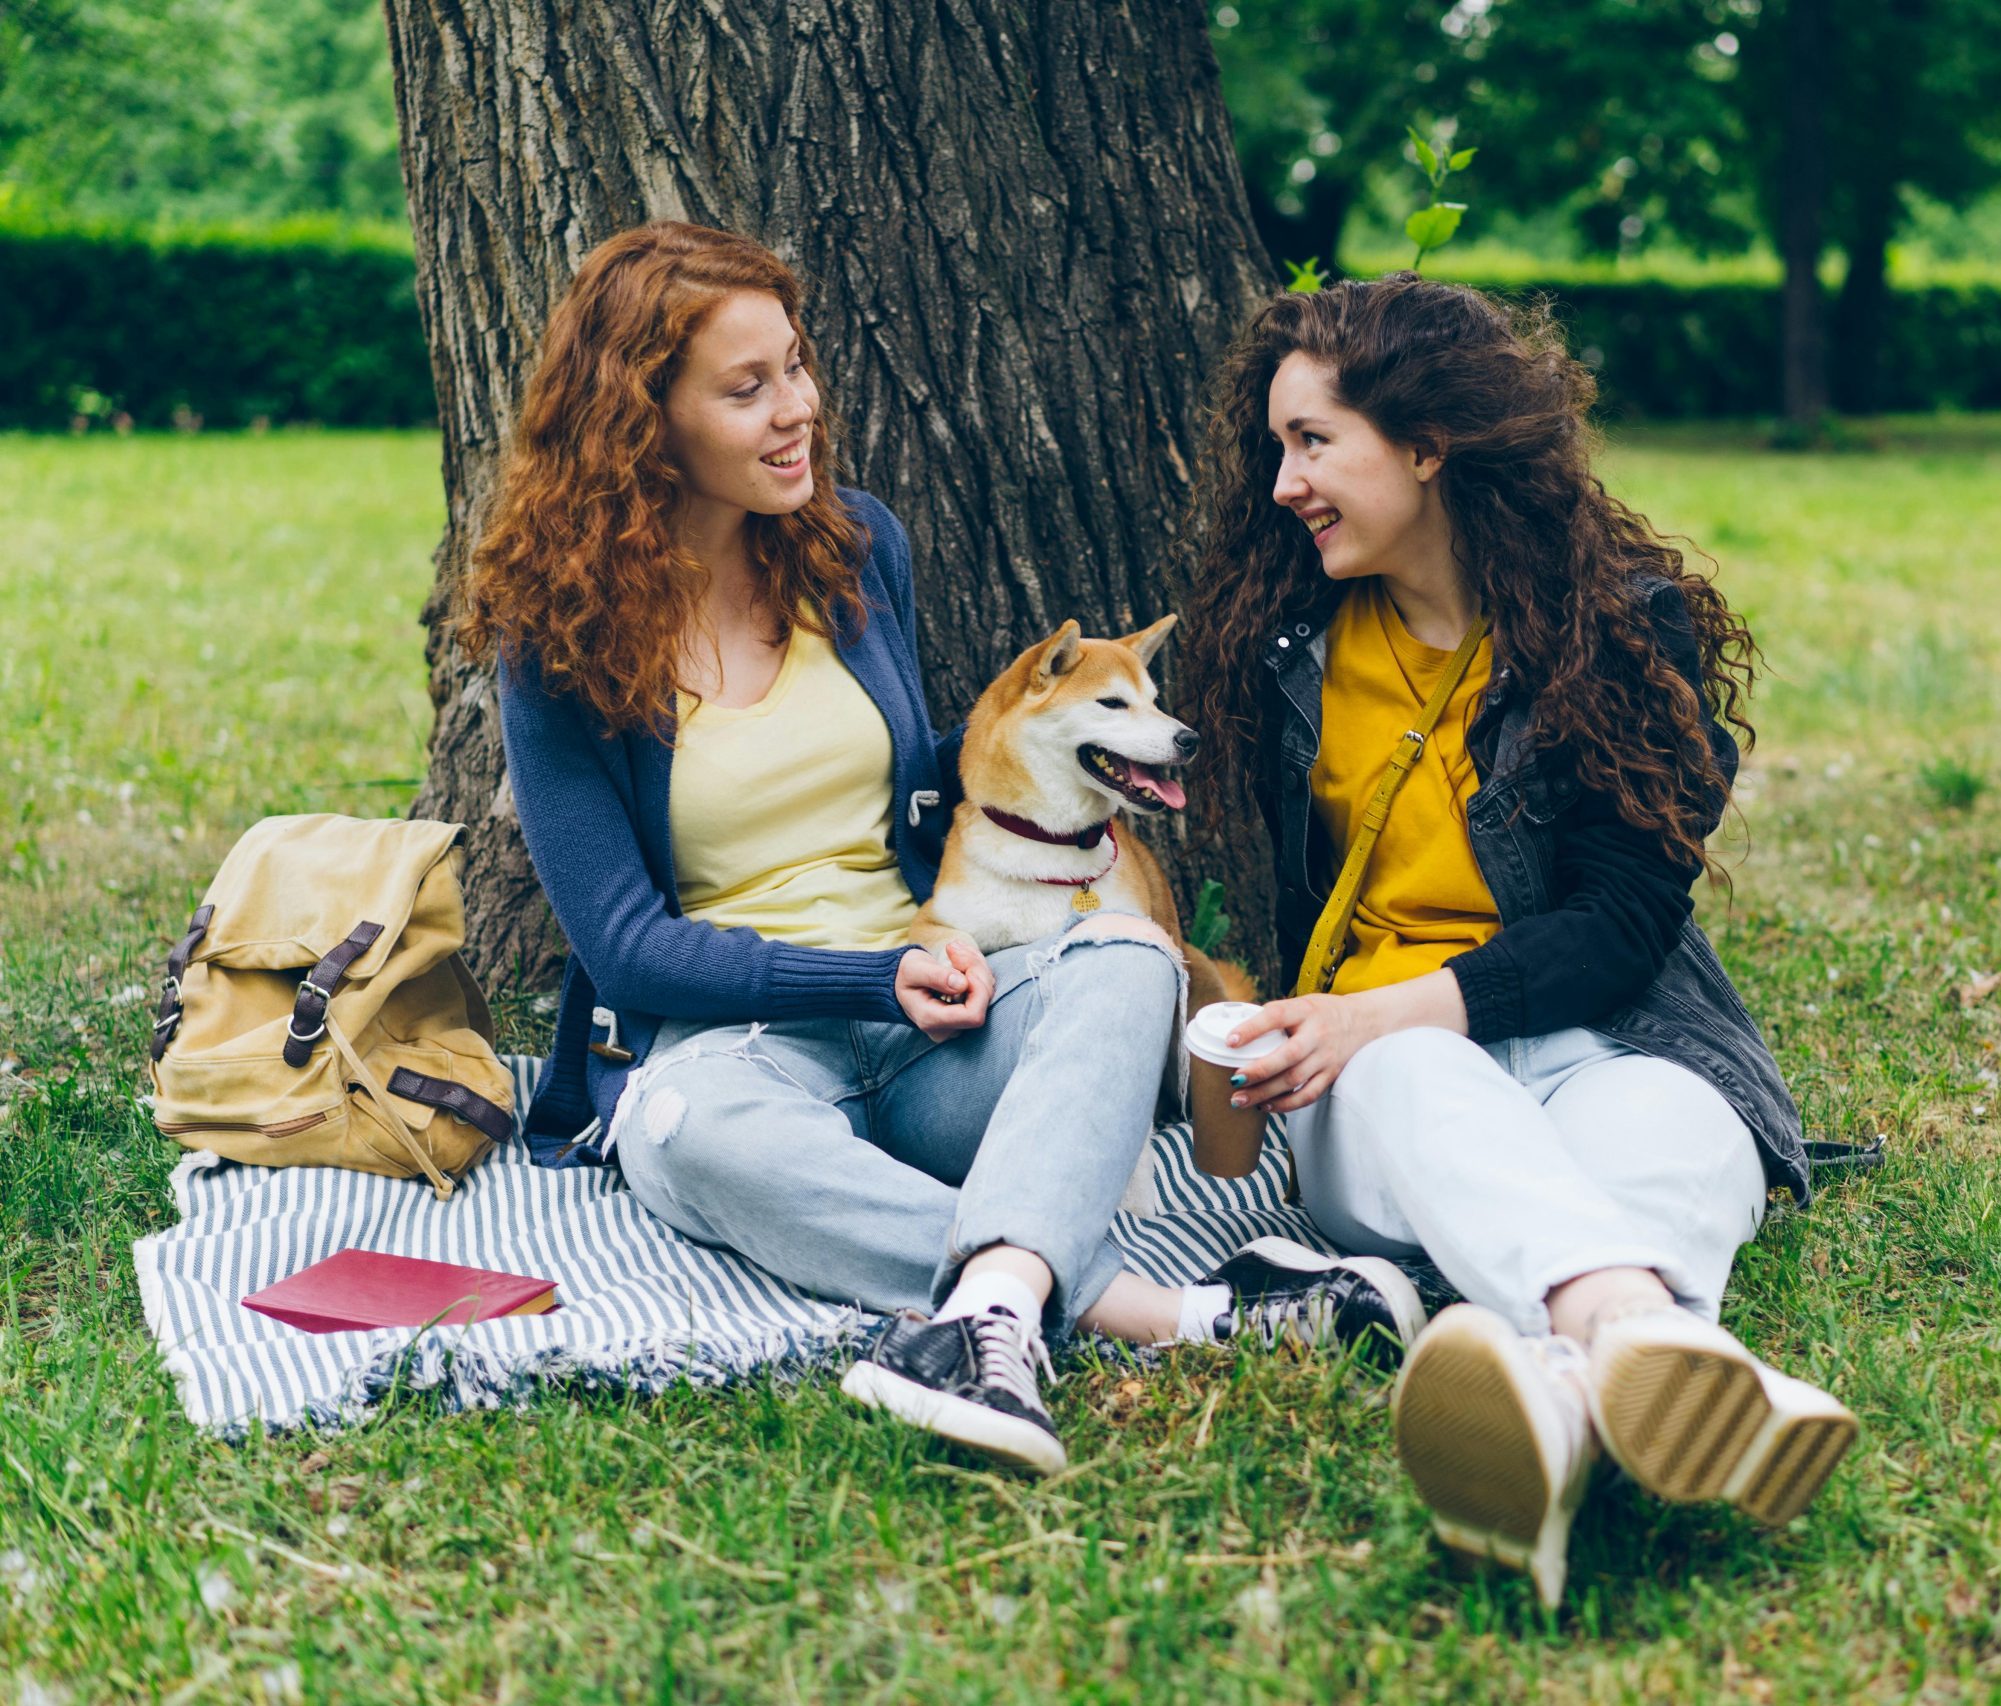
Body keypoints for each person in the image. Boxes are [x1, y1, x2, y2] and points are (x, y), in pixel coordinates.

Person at [459, 221, 1421, 1477]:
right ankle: (1148, 1309)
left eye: (795, 367)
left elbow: (926, 798)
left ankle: (989, 1317)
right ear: (642, 421)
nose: (796, 409)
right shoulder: (558, 640)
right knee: (677, 1124)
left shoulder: (856, 546)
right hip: (748, 1048)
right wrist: (865, 979)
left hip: (946, 1018)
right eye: (747, 390)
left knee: (1131, 956)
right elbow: (627, 950)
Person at [1178, 274, 1857, 1604]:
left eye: (1312, 442)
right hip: (1371, 1075)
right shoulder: (1286, 643)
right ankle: (1634, 1336)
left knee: (1670, 1129)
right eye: (1276, 446)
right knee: (1426, 1079)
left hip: (1619, 1036)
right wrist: (1360, 1017)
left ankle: (1556, 1411)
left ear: (1427, 444)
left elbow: (1618, 928)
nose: (1280, 484)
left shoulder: (1616, 628)